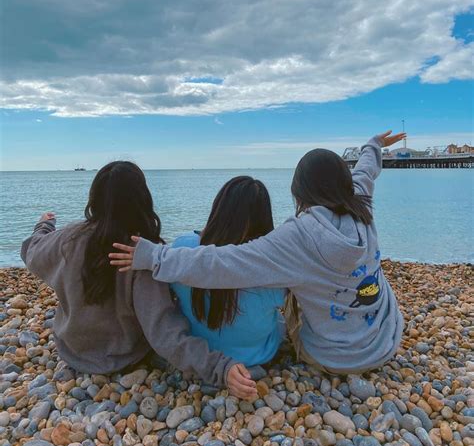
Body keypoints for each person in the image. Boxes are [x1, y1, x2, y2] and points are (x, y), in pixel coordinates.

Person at [110, 131, 406, 375]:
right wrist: (374, 145)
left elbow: (225, 262)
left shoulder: (297, 238)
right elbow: (366, 171)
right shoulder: (361, 206)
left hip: (337, 359)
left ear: (299, 193)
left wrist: (154, 257)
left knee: (290, 284)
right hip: (386, 339)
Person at [21, 161, 256, 397]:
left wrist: (44, 225)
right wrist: (219, 368)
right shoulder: (139, 256)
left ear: (95, 198)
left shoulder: (68, 238)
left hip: (72, 350)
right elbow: (164, 334)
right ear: (142, 199)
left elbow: (32, 252)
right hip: (122, 357)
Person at [171, 176, 286, 366]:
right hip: (257, 354)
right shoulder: (273, 268)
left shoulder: (182, 248)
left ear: (218, 209)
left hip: (201, 352)